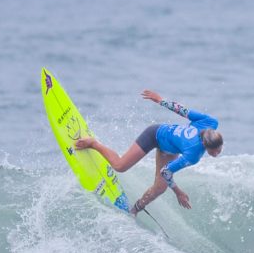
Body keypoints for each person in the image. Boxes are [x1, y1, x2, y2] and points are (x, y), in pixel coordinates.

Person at [75, 90, 223, 215]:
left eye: (219, 149)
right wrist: (178, 192)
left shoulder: (211, 122)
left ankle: (134, 211)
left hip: (170, 149)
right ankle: (93, 143)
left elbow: (183, 111)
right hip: (155, 135)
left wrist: (161, 101)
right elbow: (166, 172)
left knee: (160, 188)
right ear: (204, 144)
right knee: (120, 166)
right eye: (213, 152)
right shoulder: (193, 154)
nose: (217, 153)